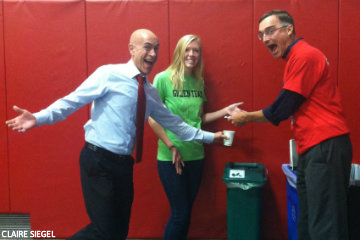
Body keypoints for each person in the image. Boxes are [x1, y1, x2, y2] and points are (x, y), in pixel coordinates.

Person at [5, 29, 228, 240]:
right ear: (132, 48)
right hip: (97, 160)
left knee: (119, 231)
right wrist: (38, 117)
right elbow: (72, 101)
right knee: (104, 231)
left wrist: (212, 137)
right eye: (147, 47)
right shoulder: (108, 74)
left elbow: (178, 126)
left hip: (123, 165)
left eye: (156, 48)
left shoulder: (150, 92)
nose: (152, 54)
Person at [229, 10, 352, 240]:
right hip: (313, 149)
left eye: (270, 31)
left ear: (289, 29)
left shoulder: (304, 56)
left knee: (325, 226)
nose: (265, 39)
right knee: (308, 222)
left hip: (325, 147)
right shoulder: (295, 58)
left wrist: (245, 117)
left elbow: (281, 109)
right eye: (260, 34)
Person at [148, 34, 241, 240]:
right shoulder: (163, 79)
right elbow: (153, 119)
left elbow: (199, 118)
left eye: (196, 50)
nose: (191, 54)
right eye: (187, 49)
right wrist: (172, 146)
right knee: (180, 214)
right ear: (179, 51)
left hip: (196, 156)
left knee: (186, 213)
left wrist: (226, 110)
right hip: (171, 156)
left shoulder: (198, 82)